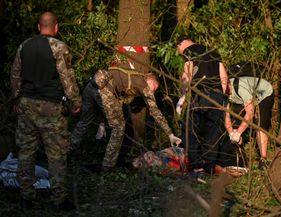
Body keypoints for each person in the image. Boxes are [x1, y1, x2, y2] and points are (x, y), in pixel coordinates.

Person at [10, 11, 81, 210]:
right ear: (55, 27)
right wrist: (75, 100)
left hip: (27, 105)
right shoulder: (59, 47)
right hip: (51, 107)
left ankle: (26, 197)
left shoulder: (24, 46)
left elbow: (15, 75)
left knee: (26, 151)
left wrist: (16, 98)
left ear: (39, 27)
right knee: (56, 153)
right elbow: (67, 77)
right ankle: (59, 200)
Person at [70, 67, 182, 171]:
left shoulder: (132, 74)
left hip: (91, 86)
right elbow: (155, 112)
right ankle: (108, 166)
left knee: (85, 121)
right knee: (119, 126)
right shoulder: (144, 85)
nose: (152, 92)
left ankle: (69, 152)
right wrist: (170, 134)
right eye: (154, 88)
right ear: (151, 81)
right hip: (104, 91)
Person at [175, 36, 229, 175]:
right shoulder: (213, 51)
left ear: (181, 44)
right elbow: (224, 76)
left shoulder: (190, 51)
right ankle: (209, 167)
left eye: (178, 49)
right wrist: (222, 98)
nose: (179, 52)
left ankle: (197, 166)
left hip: (200, 94)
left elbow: (187, 75)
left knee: (189, 129)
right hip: (216, 96)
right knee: (212, 132)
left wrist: (182, 98)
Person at [225, 76, 274, 168]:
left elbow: (250, 113)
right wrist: (231, 133)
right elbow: (226, 115)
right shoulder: (223, 92)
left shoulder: (241, 87)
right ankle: (240, 159)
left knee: (260, 125)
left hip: (264, 94)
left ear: (229, 85)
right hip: (244, 99)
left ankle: (263, 160)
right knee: (236, 123)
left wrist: (239, 133)